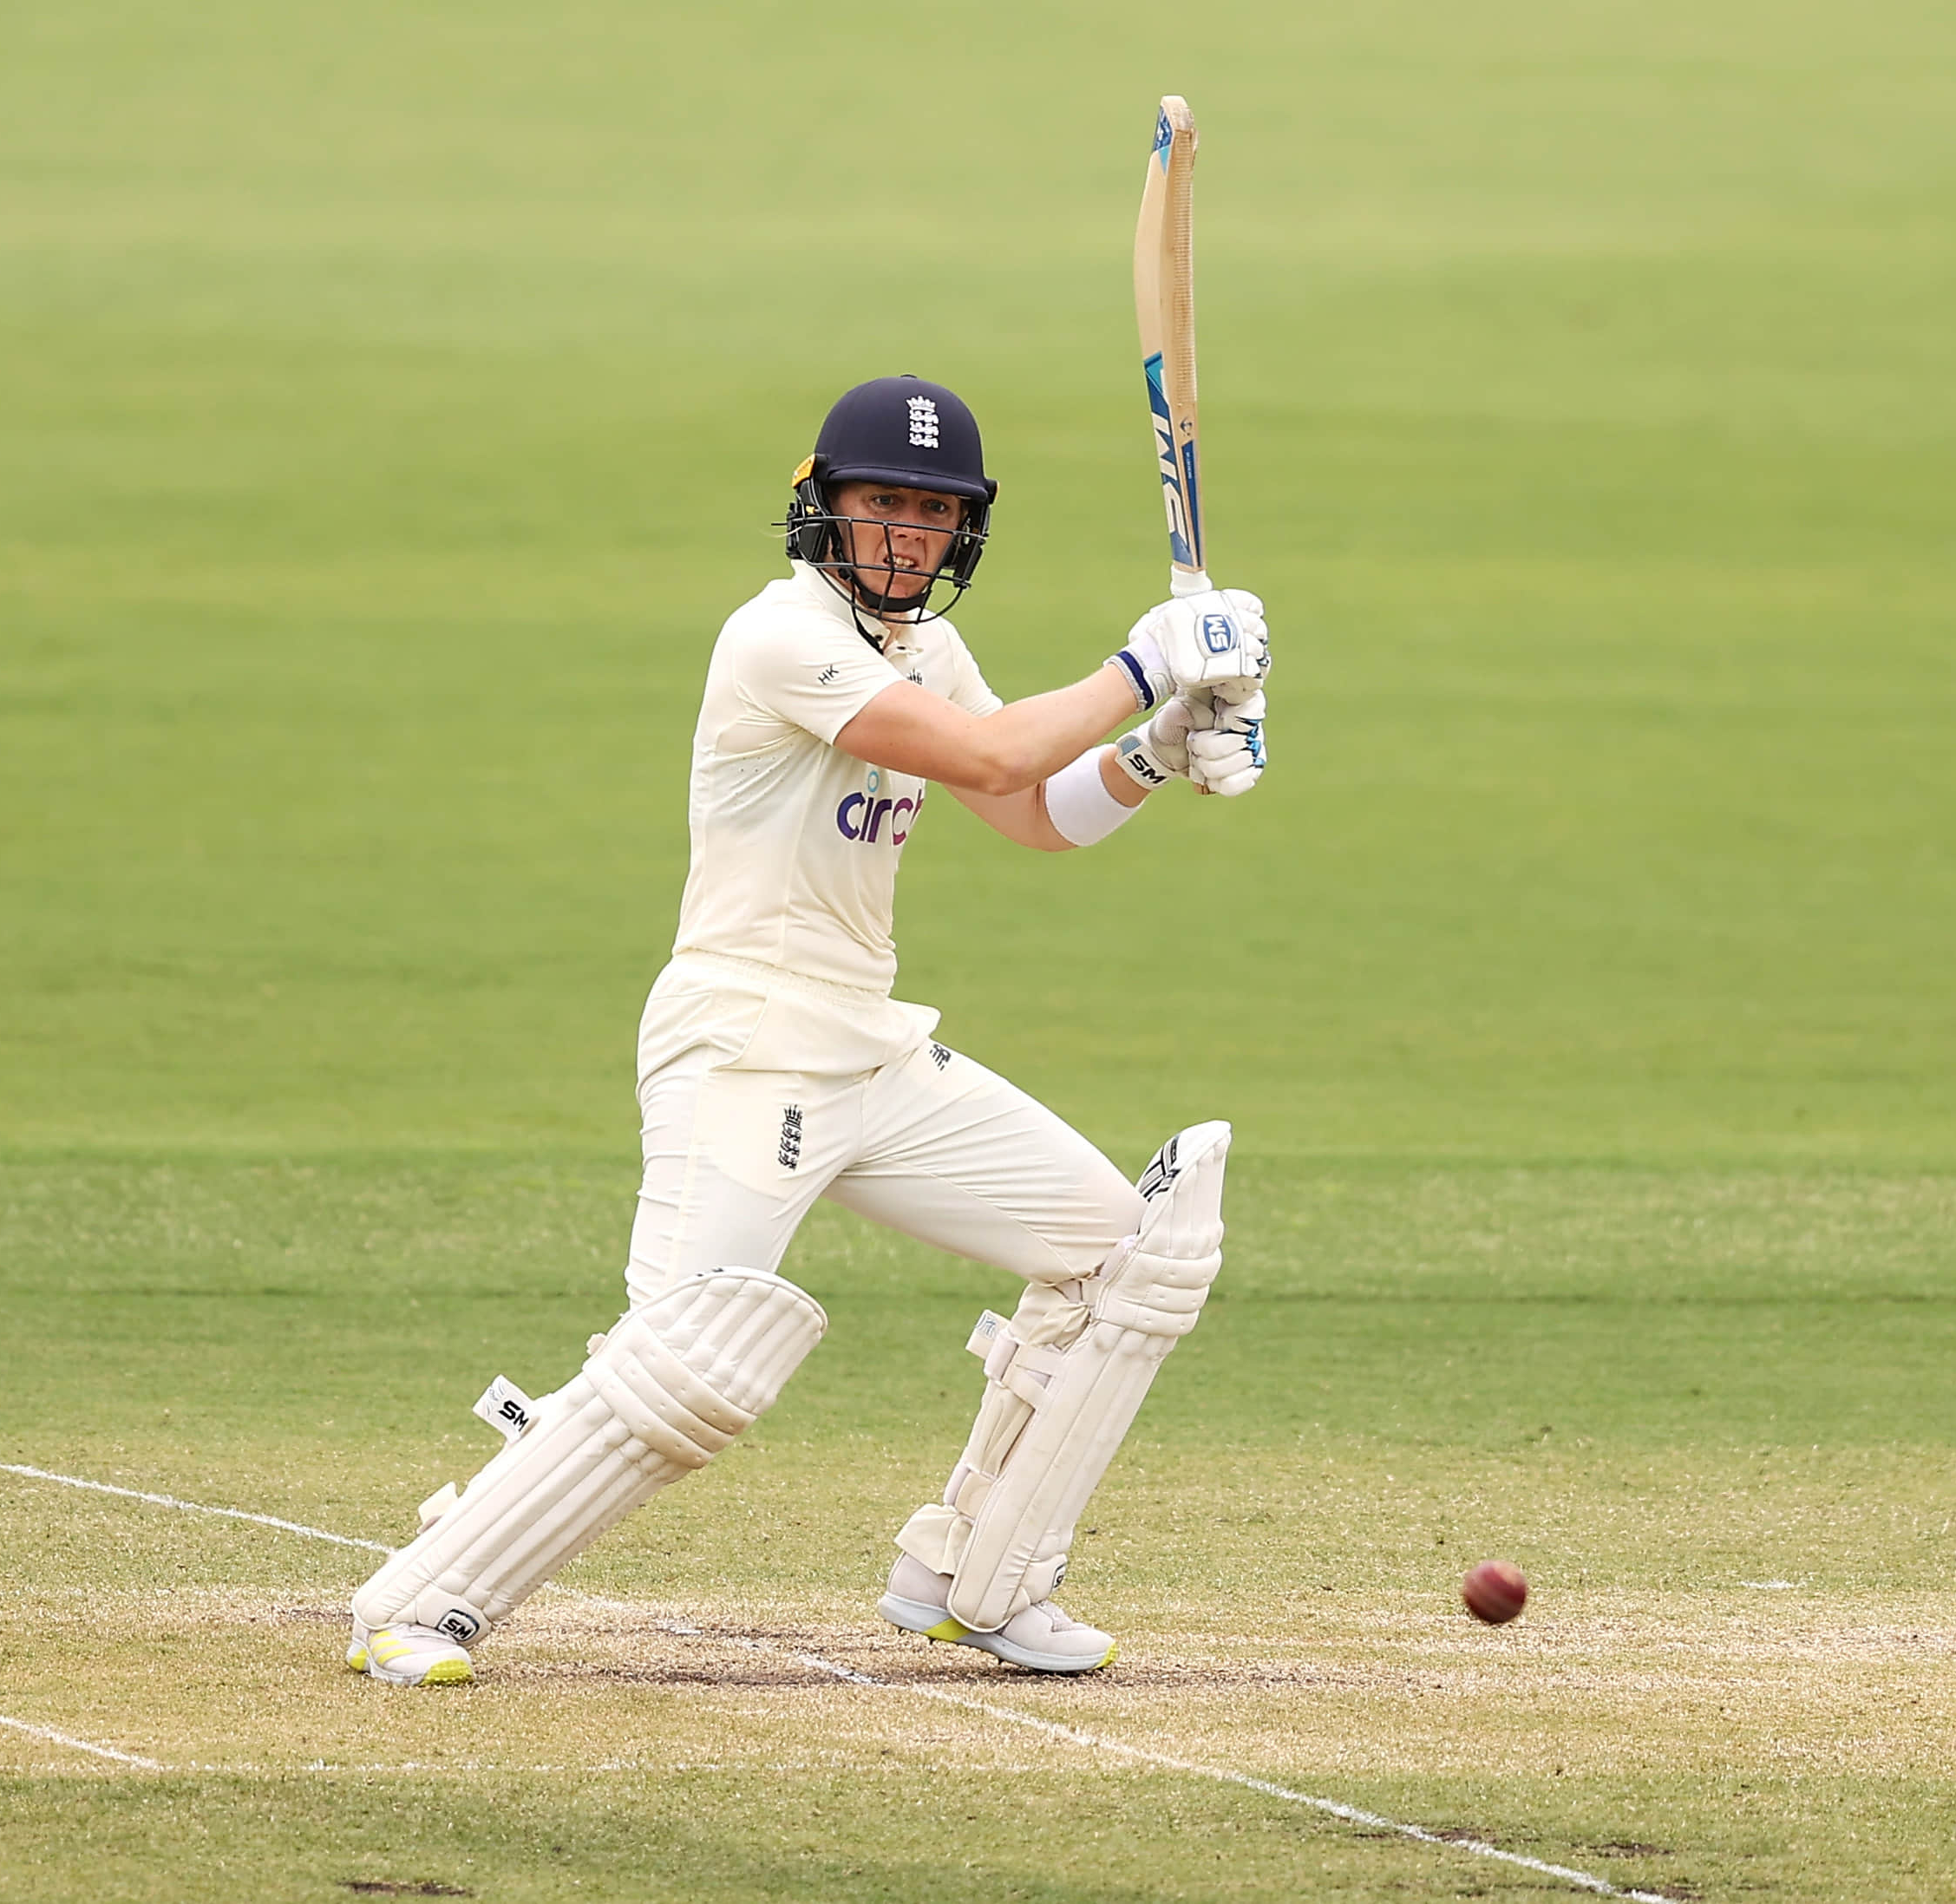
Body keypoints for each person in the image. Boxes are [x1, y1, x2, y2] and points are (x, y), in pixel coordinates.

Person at [348, 375, 1268, 1687]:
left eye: (933, 513)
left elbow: (1031, 810)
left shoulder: (924, 654)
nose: (906, 534)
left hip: (870, 1050)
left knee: (1128, 1254)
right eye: (881, 504)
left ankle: (980, 1577)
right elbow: (1002, 759)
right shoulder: (775, 638)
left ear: (965, 532)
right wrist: (1141, 668)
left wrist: (1159, 747)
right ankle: (423, 1597)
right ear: (822, 510)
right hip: (743, 1046)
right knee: (684, 1366)